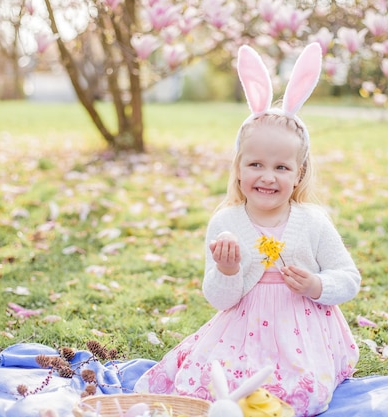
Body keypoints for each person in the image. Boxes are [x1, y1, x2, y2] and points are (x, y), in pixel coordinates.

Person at [133, 43, 360, 416]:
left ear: (299, 172)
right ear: (238, 168)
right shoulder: (227, 222)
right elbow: (221, 300)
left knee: (297, 392)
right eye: (255, 164)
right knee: (210, 385)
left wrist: (317, 286)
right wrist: (226, 270)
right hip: (243, 328)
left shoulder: (313, 221)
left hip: (301, 332)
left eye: (282, 168)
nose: (267, 177)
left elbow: (348, 278)